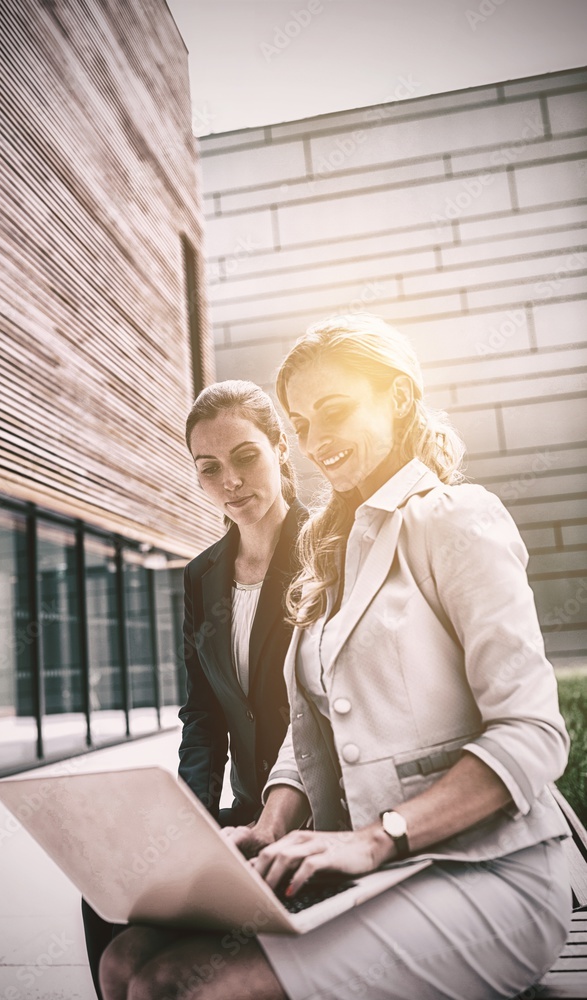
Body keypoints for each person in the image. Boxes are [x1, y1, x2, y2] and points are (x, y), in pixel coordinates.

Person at [100, 315, 572, 1000]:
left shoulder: (456, 518)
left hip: (486, 871)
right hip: (371, 862)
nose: (317, 442)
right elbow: (308, 724)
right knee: (126, 960)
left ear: (399, 399)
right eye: (301, 423)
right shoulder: (334, 547)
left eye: (335, 412)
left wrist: (378, 837)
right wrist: (267, 828)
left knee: (182, 986)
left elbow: (531, 736)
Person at [83, 380, 306, 999]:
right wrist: (193, 819)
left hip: (314, 810)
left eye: (245, 457)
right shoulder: (201, 575)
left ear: (281, 450)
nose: (229, 481)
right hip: (242, 809)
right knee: (109, 906)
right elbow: (203, 713)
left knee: (165, 975)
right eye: (209, 468)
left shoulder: (328, 550)